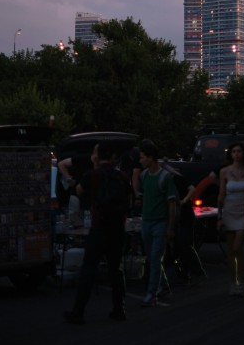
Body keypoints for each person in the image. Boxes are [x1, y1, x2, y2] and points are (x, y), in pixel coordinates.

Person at [64, 141, 131, 324]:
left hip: (98, 228)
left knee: (88, 270)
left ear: (97, 156)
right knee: (116, 270)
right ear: (113, 157)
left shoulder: (91, 175)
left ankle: (78, 312)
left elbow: (79, 192)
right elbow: (129, 198)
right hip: (117, 230)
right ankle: (120, 309)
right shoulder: (123, 177)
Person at [138, 139, 177, 307]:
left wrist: (170, 227)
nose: (140, 161)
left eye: (142, 157)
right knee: (152, 258)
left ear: (151, 157)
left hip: (160, 222)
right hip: (147, 221)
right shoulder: (144, 175)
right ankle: (163, 286)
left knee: (154, 258)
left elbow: (172, 204)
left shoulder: (165, 177)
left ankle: (151, 292)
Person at [217, 142, 244, 295]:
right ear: (230, 154)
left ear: (243, 153)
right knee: (231, 250)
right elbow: (221, 193)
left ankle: (242, 278)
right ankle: (234, 281)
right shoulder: (224, 172)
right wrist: (219, 216)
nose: (236, 154)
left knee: (237, 247)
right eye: (234, 151)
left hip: (243, 209)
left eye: (239, 151)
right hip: (229, 209)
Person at [161, 159, 207, 285]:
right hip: (175, 216)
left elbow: (192, 189)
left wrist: (183, 201)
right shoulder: (166, 179)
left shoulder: (176, 178)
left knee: (184, 244)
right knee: (178, 245)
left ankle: (193, 270)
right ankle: (183, 270)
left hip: (184, 215)